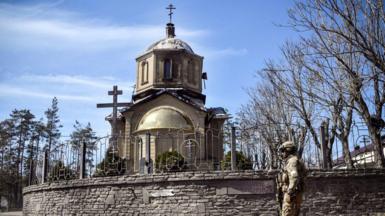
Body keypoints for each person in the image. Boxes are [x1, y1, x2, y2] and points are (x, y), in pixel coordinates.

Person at [276, 141, 306, 216]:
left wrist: (290, 191)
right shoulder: (296, 160)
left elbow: (294, 177)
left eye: (283, 151)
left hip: (291, 195)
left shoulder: (292, 161)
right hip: (295, 194)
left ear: (288, 150)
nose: (282, 154)